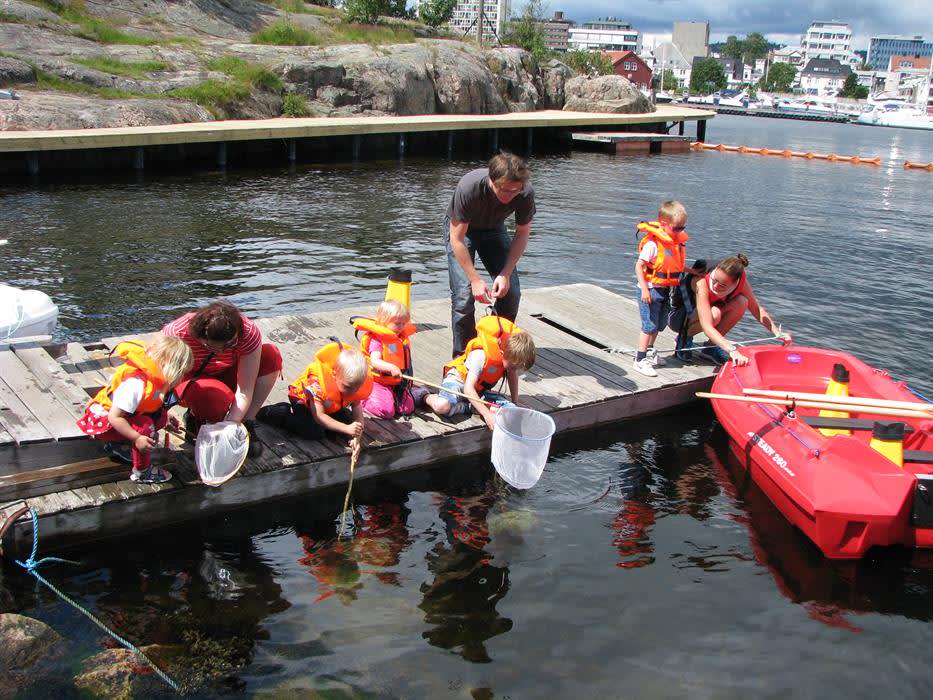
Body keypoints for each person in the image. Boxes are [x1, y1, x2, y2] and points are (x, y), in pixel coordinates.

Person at [162, 301, 282, 457]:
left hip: (225, 371)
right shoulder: (177, 333)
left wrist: (230, 426)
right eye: (211, 347)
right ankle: (195, 417)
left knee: (270, 356)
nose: (221, 351)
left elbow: (245, 390)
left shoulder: (248, 332)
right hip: (190, 379)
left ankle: (245, 424)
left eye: (230, 344)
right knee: (214, 398)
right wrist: (161, 412)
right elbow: (160, 378)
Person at [445, 152, 536, 357]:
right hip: (461, 231)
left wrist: (505, 273)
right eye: (504, 190)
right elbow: (457, 239)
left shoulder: (525, 193)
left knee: (511, 292)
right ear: (490, 180)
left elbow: (521, 235)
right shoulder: (469, 187)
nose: (509, 196)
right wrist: (475, 279)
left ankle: (496, 347)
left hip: (494, 229)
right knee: (463, 295)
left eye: (515, 191)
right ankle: (464, 358)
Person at [76, 337, 193, 484]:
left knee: (160, 417)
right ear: (171, 368)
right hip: (104, 423)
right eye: (181, 373)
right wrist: (137, 438)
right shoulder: (135, 384)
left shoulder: (154, 380)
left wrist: (165, 415)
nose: (181, 378)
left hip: (123, 417)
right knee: (145, 426)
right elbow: (115, 417)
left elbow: (147, 405)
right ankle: (142, 471)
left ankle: (122, 444)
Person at [673, 254, 792, 366]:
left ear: (735, 283)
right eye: (715, 280)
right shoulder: (701, 281)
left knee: (742, 302)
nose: (715, 286)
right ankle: (684, 338)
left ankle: (711, 347)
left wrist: (777, 333)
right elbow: (707, 325)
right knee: (715, 314)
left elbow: (756, 309)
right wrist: (732, 350)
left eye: (722, 285)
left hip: (707, 314)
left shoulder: (741, 284)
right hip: (679, 318)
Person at [424, 314, 536, 431]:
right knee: (442, 406)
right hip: (459, 383)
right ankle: (425, 396)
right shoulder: (481, 356)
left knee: (510, 410)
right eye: (513, 367)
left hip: (478, 391)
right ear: (503, 354)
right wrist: (487, 415)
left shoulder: (510, 360)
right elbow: (468, 389)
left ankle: (469, 406)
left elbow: (512, 375)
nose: (514, 370)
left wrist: (515, 401)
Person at [258, 341, 372, 443]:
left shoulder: (354, 384)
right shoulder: (318, 385)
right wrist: (346, 429)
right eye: (348, 387)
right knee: (314, 432)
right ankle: (278, 413)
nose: (353, 391)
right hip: (303, 402)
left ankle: (333, 427)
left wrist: (356, 436)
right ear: (334, 375)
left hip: (328, 406)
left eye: (357, 387)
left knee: (348, 420)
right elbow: (319, 416)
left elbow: (357, 412)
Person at [632, 200, 695, 377]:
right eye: (677, 228)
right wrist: (644, 289)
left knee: (660, 324)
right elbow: (639, 266)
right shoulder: (653, 245)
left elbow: (675, 266)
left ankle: (650, 351)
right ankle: (640, 359)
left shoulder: (676, 244)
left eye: (683, 228)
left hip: (665, 289)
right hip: (650, 290)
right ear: (664, 224)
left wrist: (692, 271)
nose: (680, 232)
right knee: (649, 325)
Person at [350, 300, 428, 419]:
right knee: (385, 411)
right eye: (397, 323)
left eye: (403, 323)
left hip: (396, 383)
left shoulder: (400, 338)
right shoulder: (377, 340)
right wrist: (391, 368)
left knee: (408, 409)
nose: (401, 327)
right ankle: (362, 400)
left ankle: (396, 396)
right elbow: (375, 362)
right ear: (383, 321)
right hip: (377, 382)